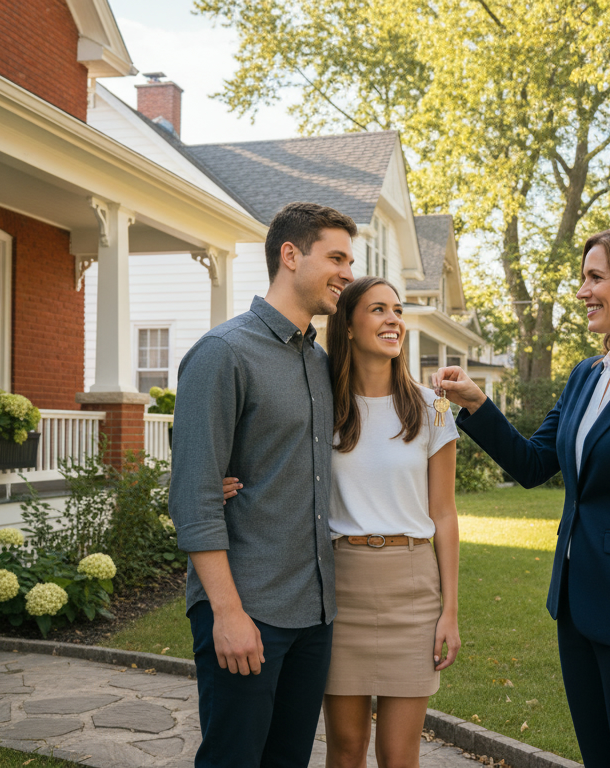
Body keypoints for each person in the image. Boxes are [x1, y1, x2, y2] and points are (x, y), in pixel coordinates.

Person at [433, 224, 610, 767]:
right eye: (581, 278)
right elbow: (534, 464)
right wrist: (476, 405)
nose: (582, 291)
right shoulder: (586, 376)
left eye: (596, 277)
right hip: (577, 609)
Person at [169, 201, 356, 767]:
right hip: (247, 607)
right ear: (290, 255)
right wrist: (227, 613)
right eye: (337, 257)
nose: (347, 273)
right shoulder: (224, 353)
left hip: (313, 609)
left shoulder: (321, 362)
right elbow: (194, 495)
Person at [319, 276, 461, 768]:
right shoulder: (322, 408)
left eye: (397, 310)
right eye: (378, 309)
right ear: (350, 327)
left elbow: (444, 513)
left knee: (400, 756)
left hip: (412, 586)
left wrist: (450, 611)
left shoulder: (432, 408)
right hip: (341, 588)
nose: (393, 319)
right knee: (346, 750)